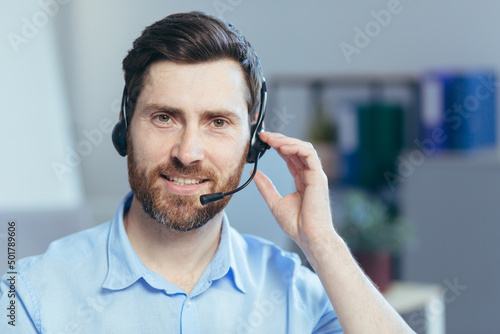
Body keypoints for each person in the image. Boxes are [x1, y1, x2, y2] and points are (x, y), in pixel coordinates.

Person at [0, 11, 414, 333]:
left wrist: (323, 244)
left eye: (217, 122)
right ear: (126, 126)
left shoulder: (294, 294)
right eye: (164, 117)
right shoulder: (31, 296)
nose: (188, 152)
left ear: (253, 141)